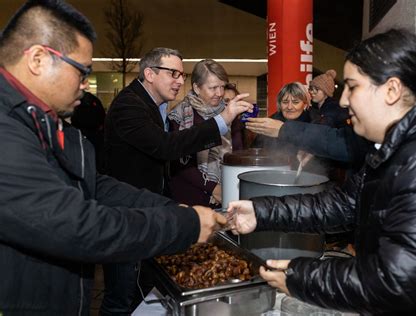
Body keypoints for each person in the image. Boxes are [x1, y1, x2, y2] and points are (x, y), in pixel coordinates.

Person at [0, 1, 227, 315]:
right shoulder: (6, 128)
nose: (85, 84)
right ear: (38, 59)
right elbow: (78, 227)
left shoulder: (45, 120)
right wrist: (182, 224)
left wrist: (172, 209)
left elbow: (95, 185)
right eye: (82, 71)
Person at [228, 29, 416, 314]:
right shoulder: (393, 144)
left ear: (391, 91)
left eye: (353, 87)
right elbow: (344, 203)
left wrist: (301, 277)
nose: (343, 101)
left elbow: (396, 283)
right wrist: (261, 212)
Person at [103, 51, 252, 313]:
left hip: (149, 209)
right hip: (125, 213)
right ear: (149, 74)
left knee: (144, 287)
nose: (178, 81)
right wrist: (222, 121)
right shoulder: (130, 106)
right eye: (172, 73)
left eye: (181, 74)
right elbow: (166, 147)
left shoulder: (155, 105)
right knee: (121, 295)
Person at [167, 59, 244, 207]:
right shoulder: (178, 117)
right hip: (189, 197)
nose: (220, 93)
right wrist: (213, 188)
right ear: (196, 87)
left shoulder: (230, 113)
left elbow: (237, 154)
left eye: (222, 87)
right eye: (213, 88)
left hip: (226, 193)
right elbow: (179, 162)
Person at [250, 81, 329, 175]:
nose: (290, 107)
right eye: (285, 102)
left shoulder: (316, 122)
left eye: (295, 102)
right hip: (273, 174)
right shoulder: (270, 123)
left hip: (309, 176)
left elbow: (325, 160)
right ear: (279, 104)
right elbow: (255, 152)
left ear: (304, 104)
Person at [71, 91, 106, 172]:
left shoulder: (78, 101)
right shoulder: (94, 100)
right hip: (95, 134)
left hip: (84, 133)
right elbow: (102, 115)